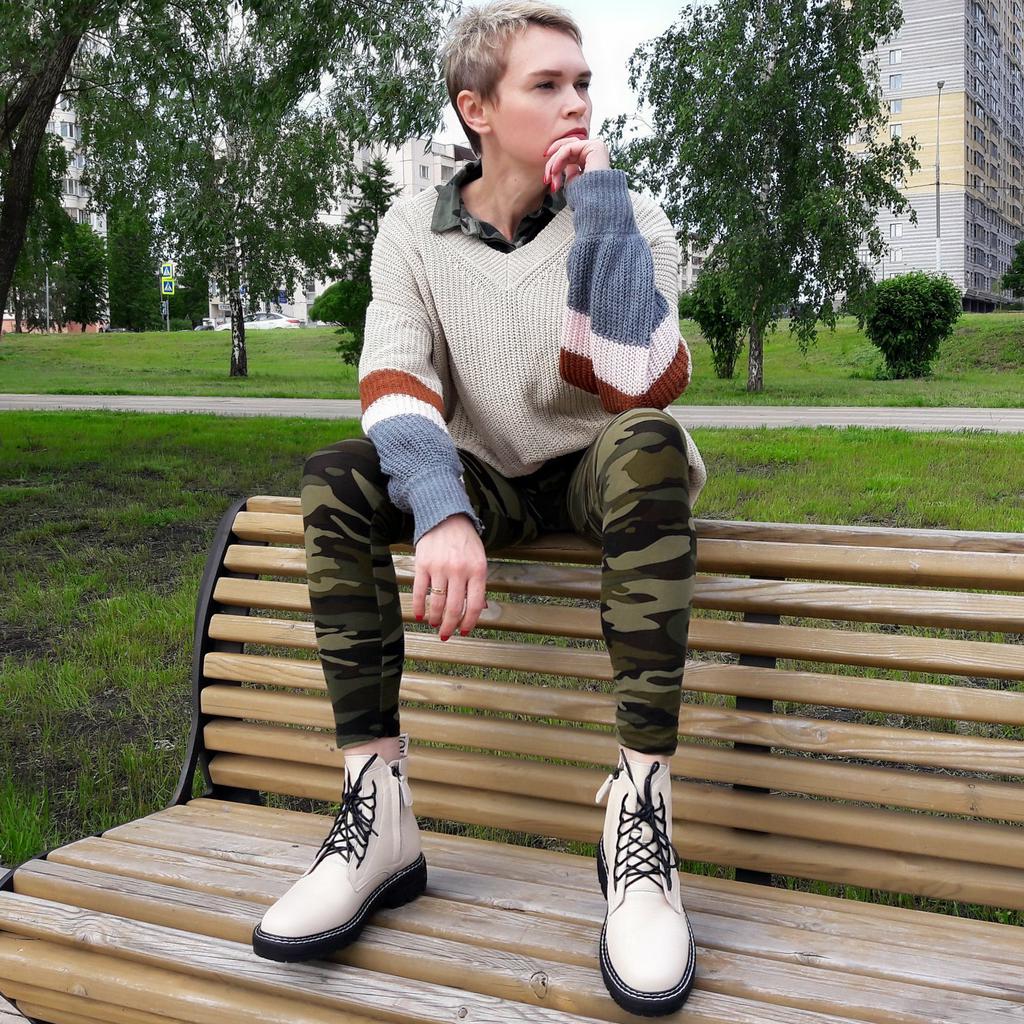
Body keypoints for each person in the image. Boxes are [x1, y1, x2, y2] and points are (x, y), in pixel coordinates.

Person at [252, 1, 707, 1015]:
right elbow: (393, 381)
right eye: (547, 85)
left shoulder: (627, 212)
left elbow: (637, 381)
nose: (577, 102)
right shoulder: (411, 231)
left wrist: (597, 207)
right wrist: (441, 509)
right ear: (478, 110)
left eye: (583, 83)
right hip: (482, 477)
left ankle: (640, 820)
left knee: (648, 441)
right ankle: (378, 808)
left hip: (598, 465)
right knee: (337, 475)